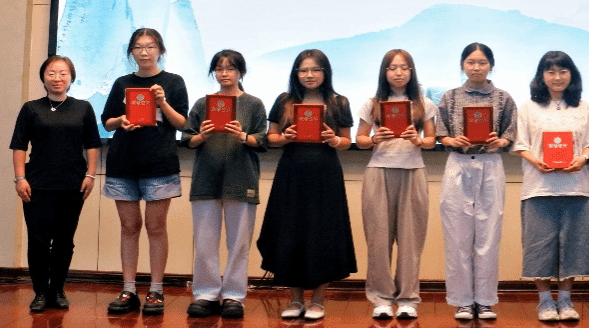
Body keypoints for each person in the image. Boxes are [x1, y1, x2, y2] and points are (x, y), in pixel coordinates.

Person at [256, 49, 356, 322]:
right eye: (303, 70)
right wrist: (284, 138)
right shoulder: (285, 100)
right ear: (296, 73)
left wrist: (333, 140)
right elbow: (271, 137)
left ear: (325, 72)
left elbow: (346, 141)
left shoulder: (339, 102)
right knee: (291, 232)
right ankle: (296, 299)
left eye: (315, 69)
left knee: (323, 233)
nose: (309, 75)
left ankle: (318, 300)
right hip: (292, 174)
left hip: (325, 175)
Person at [101, 28, 188, 315]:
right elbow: (107, 121)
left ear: (160, 50)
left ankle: (156, 290)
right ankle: (128, 289)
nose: (144, 52)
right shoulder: (122, 83)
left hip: (159, 164)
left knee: (156, 227)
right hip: (122, 163)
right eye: (138, 47)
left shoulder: (173, 82)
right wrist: (121, 120)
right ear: (131, 52)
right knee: (129, 228)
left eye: (150, 46)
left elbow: (182, 123)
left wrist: (162, 102)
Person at [10, 55, 102, 313]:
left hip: (73, 185)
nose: (57, 78)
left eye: (63, 73)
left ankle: (58, 290)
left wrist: (90, 175)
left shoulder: (83, 108)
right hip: (37, 186)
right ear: (43, 77)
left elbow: (92, 144)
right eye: (51, 73)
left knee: (64, 241)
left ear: (71, 78)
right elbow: (19, 145)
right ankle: (40, 292)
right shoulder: (31, 108)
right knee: (38, 241)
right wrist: (20, 178)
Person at [181, 50, 268, 319]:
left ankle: (233, 296)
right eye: (219, 69)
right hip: (206, 180)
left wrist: (242, 135)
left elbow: (262, 140)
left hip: (241, 179)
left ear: (241, 72)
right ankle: (205, 294)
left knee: (239, 243)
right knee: (205, 242)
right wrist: (202, 136)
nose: (224, 73)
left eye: (230, 68)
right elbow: (187, 140)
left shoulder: (253, 104)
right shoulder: (202, 103)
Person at [512, 51, 589, 322]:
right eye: (550, 72)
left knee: (573, 245)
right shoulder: (528, 108)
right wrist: (535, 161)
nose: (557, 77)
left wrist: (583, 159)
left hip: (576, 188)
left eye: (563, 71)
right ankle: (545, 301)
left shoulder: (584, 108)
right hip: (538, 188)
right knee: (539, 247)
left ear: (572, 74)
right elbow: (520, 144)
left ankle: (566, 300)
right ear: (541, 76)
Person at [436, 42, 517, 321]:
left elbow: (511, 134)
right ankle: (461, 301)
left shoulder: (503, 98)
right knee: (457, 238)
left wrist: (500, 141)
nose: (476, 67)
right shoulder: (450, 97)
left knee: (488, 236)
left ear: (491, 65)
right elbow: (441, 133)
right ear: (463, 65)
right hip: (458, 165)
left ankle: (484, 301)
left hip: (490, 165)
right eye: (471, 62)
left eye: (482, 63)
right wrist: (451, 140)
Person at [356, 49, 438, 320]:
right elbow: (360, 139)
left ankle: (407, 299)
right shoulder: (372, 104)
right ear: (384, 72)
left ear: (411, 71)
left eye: (404, 67)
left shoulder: (424, 104)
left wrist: (418, 140)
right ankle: (381, 299)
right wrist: (374, 138)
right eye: (392, 68)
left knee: (411, 241)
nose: (398, 73)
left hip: (413, 172)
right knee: (378, 241)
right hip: (379, 172)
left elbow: (431, 141)